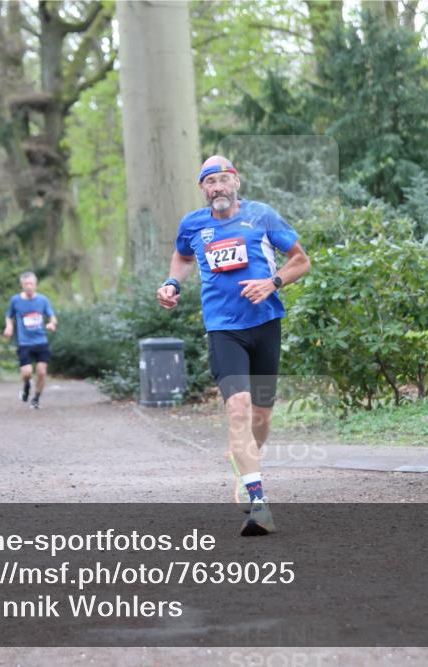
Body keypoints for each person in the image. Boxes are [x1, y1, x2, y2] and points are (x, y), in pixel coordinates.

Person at [157, 155, 311, 536]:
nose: (217, 188)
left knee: (262, 416)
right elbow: (181, 255)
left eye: (223, 180)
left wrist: (272, 283)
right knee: (238, 408)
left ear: (236, 182)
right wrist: (173, 284)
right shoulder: (193, 224)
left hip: (265, 323)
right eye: (210, 182)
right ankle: (259, 504)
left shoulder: (262, 216)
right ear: (203, 190)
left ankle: (245, 463)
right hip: (223, 330)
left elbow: (301, 261)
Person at [3, 272, 57, 409]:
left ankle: (36, 398)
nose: (28, 286)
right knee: (27, 373)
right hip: (24, 343)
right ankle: (26, 386)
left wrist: (52, 324)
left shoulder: (43, 300)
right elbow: (9, 316)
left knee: (41, 372)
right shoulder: (16, 300)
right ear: (22, 285)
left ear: (36, 285)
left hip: (41, 341)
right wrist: (9, 327)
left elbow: (52, 316)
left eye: (31, 283)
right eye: (26, 284)